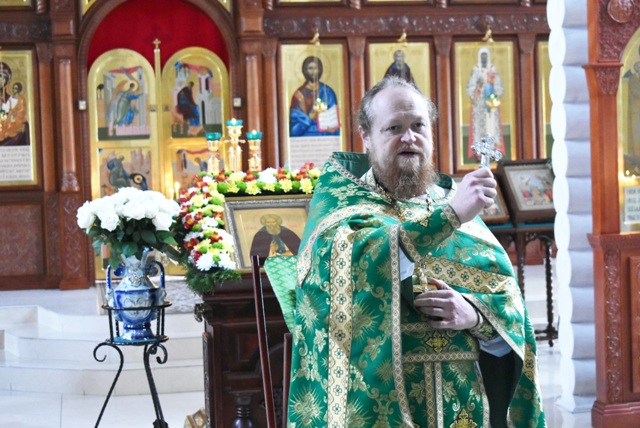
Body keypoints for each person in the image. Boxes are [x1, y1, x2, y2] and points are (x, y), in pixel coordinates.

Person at [279, 76, 545, 427]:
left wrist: (476, 317)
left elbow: (510, 309)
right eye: (394, 128)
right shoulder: (343, 206)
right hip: (379, 409)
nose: (409, 138)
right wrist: (450, 217)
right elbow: (350, 265)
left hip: (463, 407)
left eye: (418, 125)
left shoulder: (456, 204)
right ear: (366, 137)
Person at [465, 47, 505, 160]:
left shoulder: (493, 69)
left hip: (491, 104)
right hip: (479, 105)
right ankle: (480, 153)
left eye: (485, 57)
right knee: (479, 127)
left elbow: (499, 86)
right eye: (482, 57)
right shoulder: (476, 70)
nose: (483, 60)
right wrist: (477, 89)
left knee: (490, 126)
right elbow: (470, 87)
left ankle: (493, 150)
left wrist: (492, 86)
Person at [289, 56, 340, 137]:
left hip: (325, 137)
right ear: (305, 70)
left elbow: (334, 119)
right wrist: (309, 118)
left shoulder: (327, 92)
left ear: (320, 70)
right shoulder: (299, 95)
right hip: (305, 138)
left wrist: (332, 126)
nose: (313, 72)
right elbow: (294, 128)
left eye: (315, 68)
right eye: (310, 68)